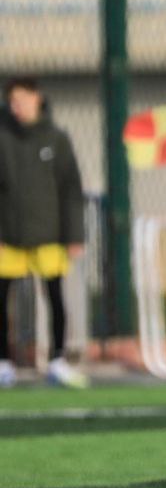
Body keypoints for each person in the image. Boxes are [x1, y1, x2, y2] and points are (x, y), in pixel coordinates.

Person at [0, 77, 89, 389]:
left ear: (37, 98)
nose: (17, 106)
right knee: (2, 297)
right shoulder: (3, 137)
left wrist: (74, 235)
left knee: (54, 296)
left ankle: (58, 360)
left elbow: (71, 190)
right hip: (8, 235)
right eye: (12, 101)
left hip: (49, 234)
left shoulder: (56, 139)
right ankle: (3, 364)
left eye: (22, 99)